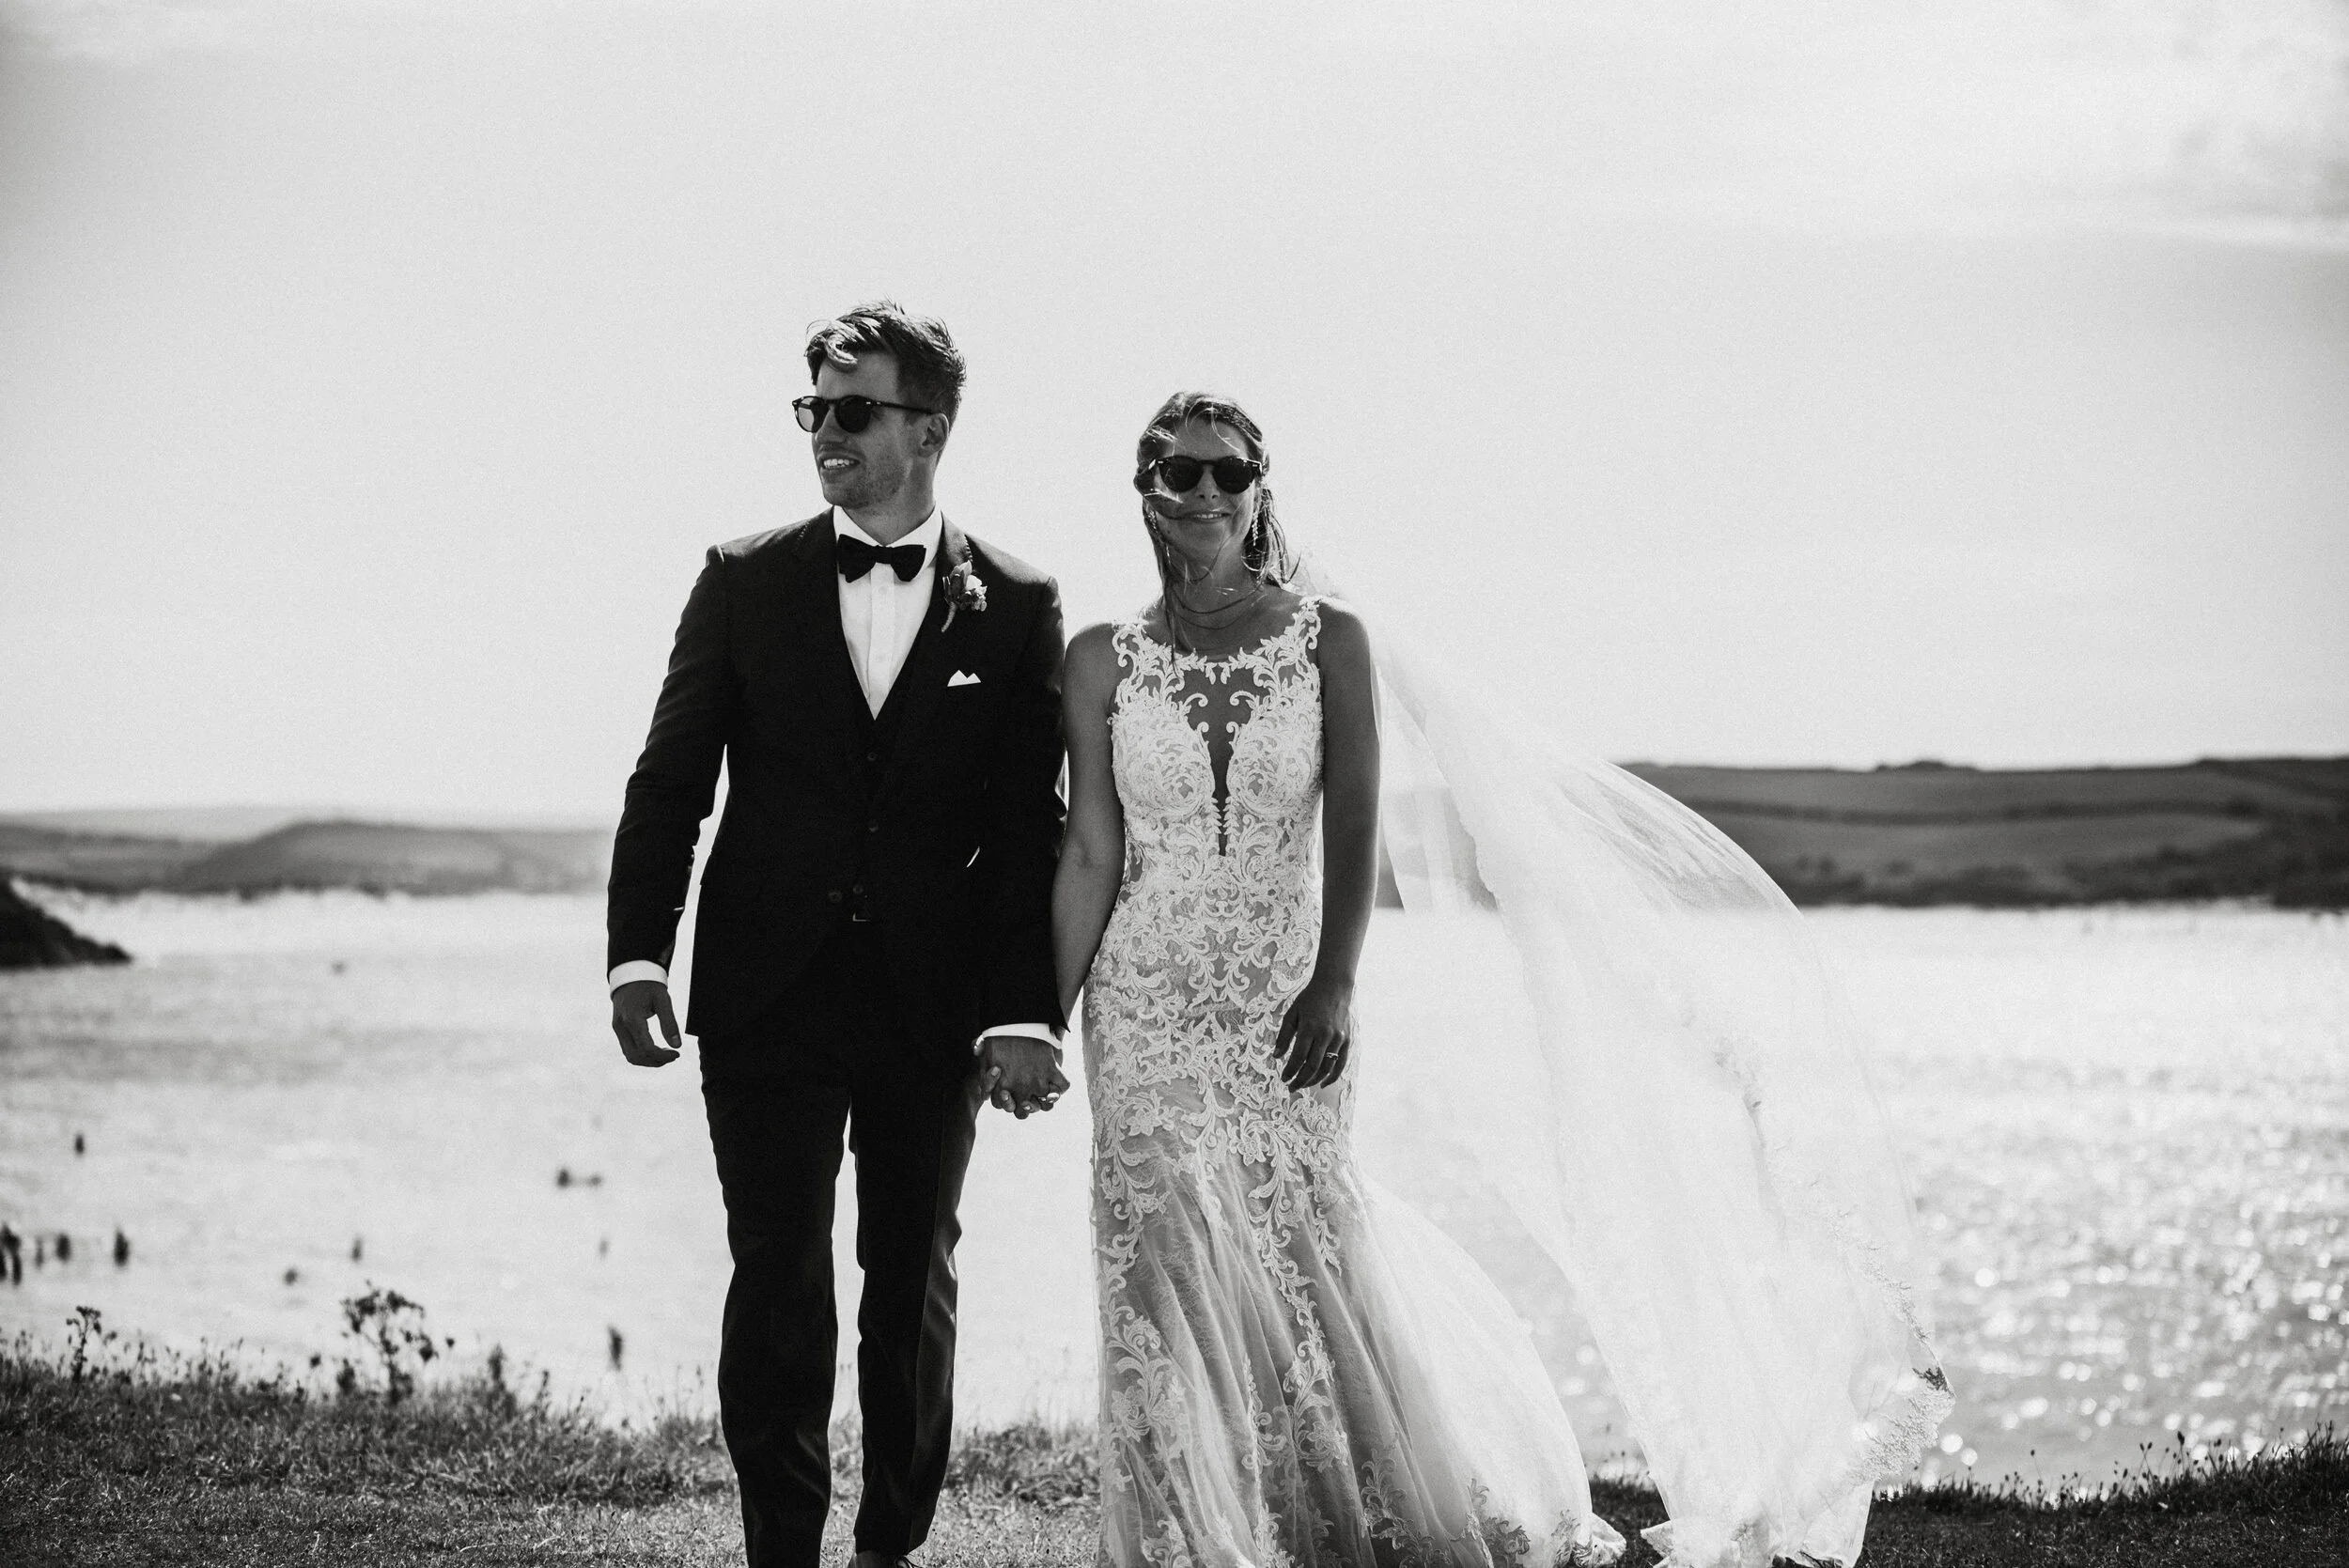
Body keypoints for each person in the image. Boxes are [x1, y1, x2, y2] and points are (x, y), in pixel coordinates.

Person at [1053, 394, 1950, 1567]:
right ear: (1146, 491)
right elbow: (1090, 848)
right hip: (1145, 1003)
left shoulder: (1329, 640)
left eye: (1230, 474)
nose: (1206, 494)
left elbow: (1355, 827)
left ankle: (1335, 1513)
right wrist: (1036, 1019)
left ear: (1260, 489)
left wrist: (1335, 983)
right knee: (1159, 1259)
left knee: (1302, 1241)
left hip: (1285, 1004)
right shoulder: (1098, 657)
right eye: (1181, 474)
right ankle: (1182, 1531)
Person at [605, 302, 1068, 1568]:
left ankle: (889, 1545)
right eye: (813, 407)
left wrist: (1021, 1009)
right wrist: (638, 952)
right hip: (764, 992)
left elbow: (1030, 827)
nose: (826, 431)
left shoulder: (1021, 603)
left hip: (931, 1001)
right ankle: (783, 1549)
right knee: (778, 1278)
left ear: (931, 427)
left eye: (853, 409)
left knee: (910, 1280)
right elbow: (671, 778)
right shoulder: (742, 578)